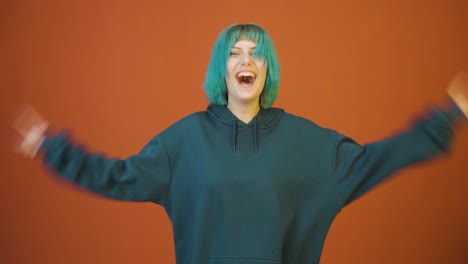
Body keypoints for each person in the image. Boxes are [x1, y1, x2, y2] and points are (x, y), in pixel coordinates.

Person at [12, 23, 468, 264]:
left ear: (266, 69)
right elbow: (118, 177)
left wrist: (447, 117)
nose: (246, 60)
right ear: (221, 69)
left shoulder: (306, 143)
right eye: (235, 51)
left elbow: (377, 160)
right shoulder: (184, 142)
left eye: (256, 52)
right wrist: (54, 148)